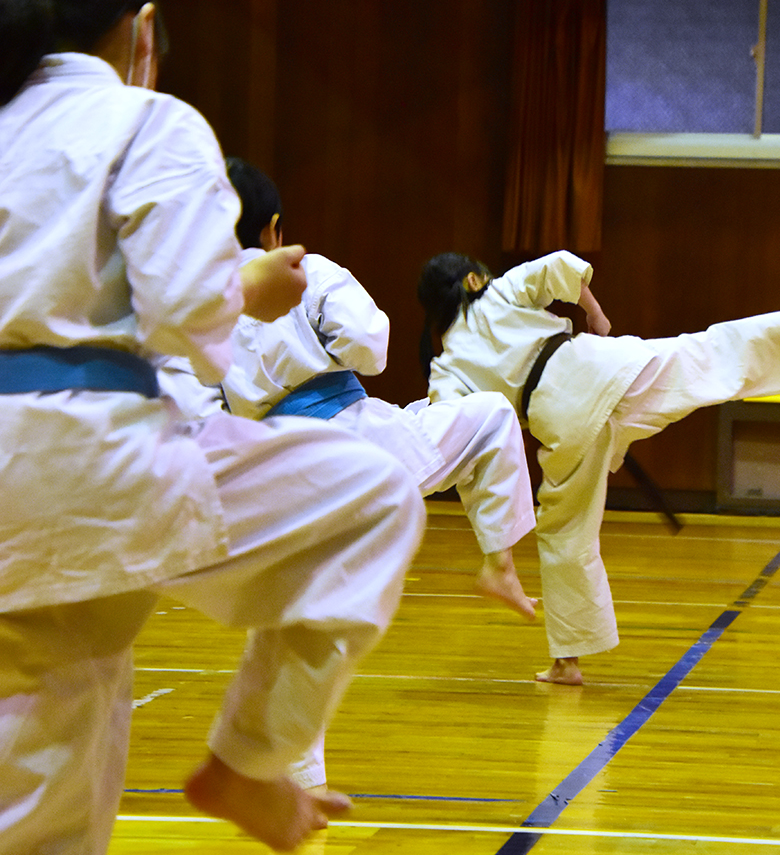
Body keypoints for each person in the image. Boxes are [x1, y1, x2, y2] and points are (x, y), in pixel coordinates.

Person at [0, 0, 424, 853]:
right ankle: (248, 761)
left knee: (36, 766)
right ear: (142, 31)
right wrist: (250, 280)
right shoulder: (143, 118)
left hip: (36, 482)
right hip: (87, 465)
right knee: (373, 498)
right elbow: (188, 316)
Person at [201, 157, 538, 793]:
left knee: (299, 617)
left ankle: (296, 781)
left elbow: (203, 399)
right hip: (356, 446)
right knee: (491, 415)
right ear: (274, 229)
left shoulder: (198, 295)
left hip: (271, 470)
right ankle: (499, 563)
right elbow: (373, 347)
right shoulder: (307, 267)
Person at [418, 249, 780, 686]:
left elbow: (461, 433)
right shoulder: (499, 293)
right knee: (706, 351)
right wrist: (595, 314)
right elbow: (561, 267)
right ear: (472, 280)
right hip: (601, 366)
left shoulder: (447, 368)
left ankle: (563, 658)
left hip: (560, 421)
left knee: (563, 531)